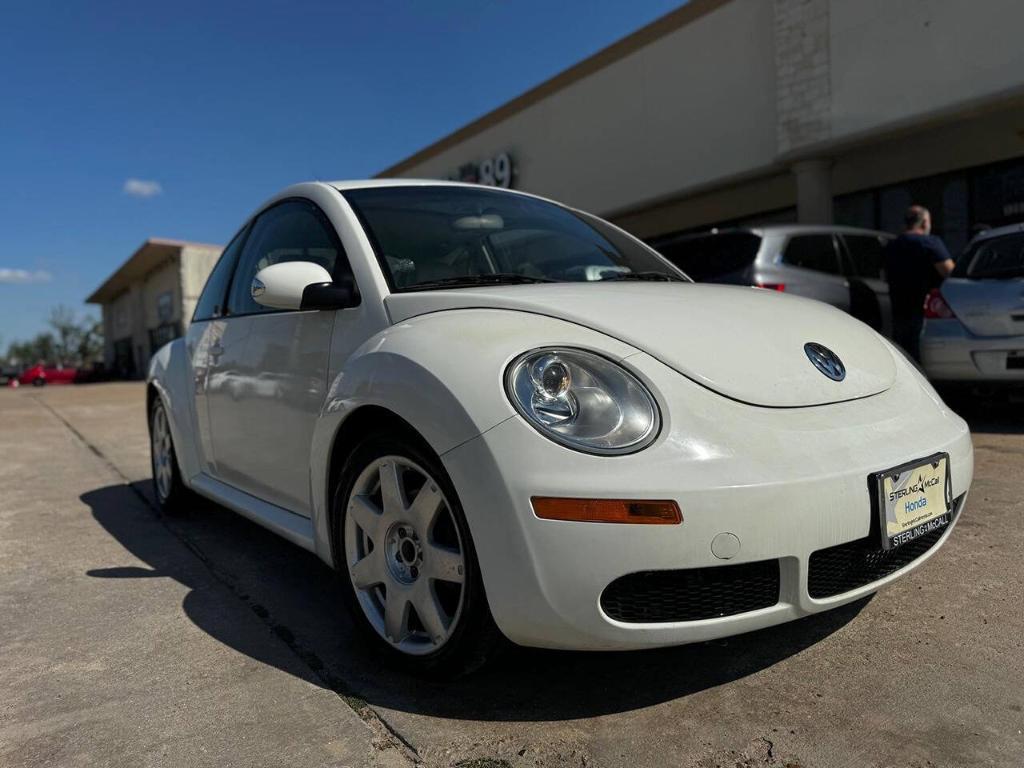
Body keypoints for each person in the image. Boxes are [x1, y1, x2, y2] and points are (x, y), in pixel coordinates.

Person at [884, 205, 955, 361]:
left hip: (898, 311)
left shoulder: (891, 246)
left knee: (903, 357)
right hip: (924, 310)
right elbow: (950, 273)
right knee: (921, 358)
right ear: (924, 222)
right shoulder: (930, 243)